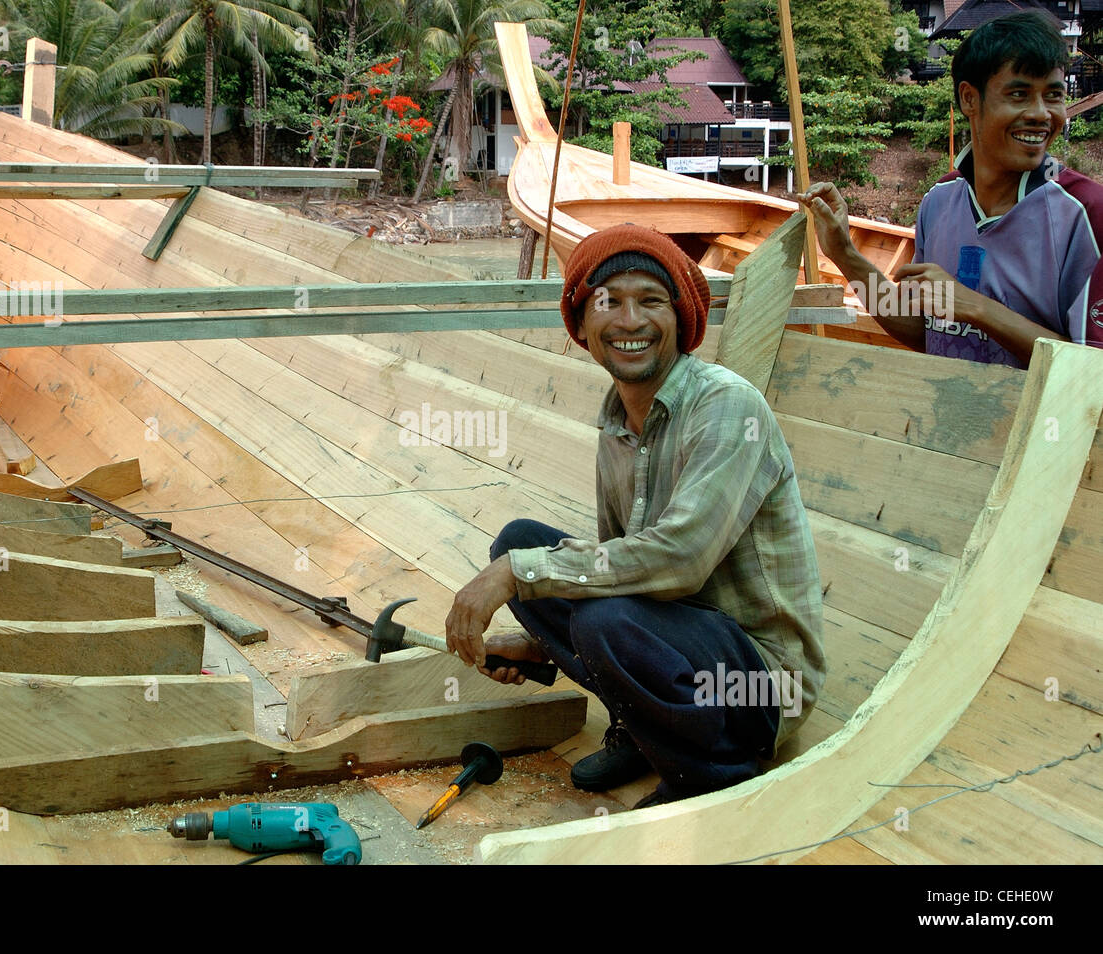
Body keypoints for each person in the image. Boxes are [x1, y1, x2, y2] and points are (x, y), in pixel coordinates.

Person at [443, 224, 825, 807]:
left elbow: (681, 561)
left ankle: (712, 773)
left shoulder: (726, 406)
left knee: (568, 595)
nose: (629, 322)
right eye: (609, 302)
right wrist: (538, 645)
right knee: (519, 541)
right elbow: (612, 568)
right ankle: (646, 733)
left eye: (650, 301)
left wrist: (518, 575)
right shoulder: (617, 421)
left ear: (681, 318)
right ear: (583, 324)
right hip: (675, 641)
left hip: (758, 684)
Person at [797, 9, 1103, 368]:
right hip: (947, 420)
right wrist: (844, 255)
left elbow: (1090, 370)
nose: (1041, 113)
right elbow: (925, 332)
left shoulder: (1086, 212)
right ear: (970, 99)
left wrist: (975, 307)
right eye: (1019, 95)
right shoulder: (939, 200)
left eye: (1053, 96)